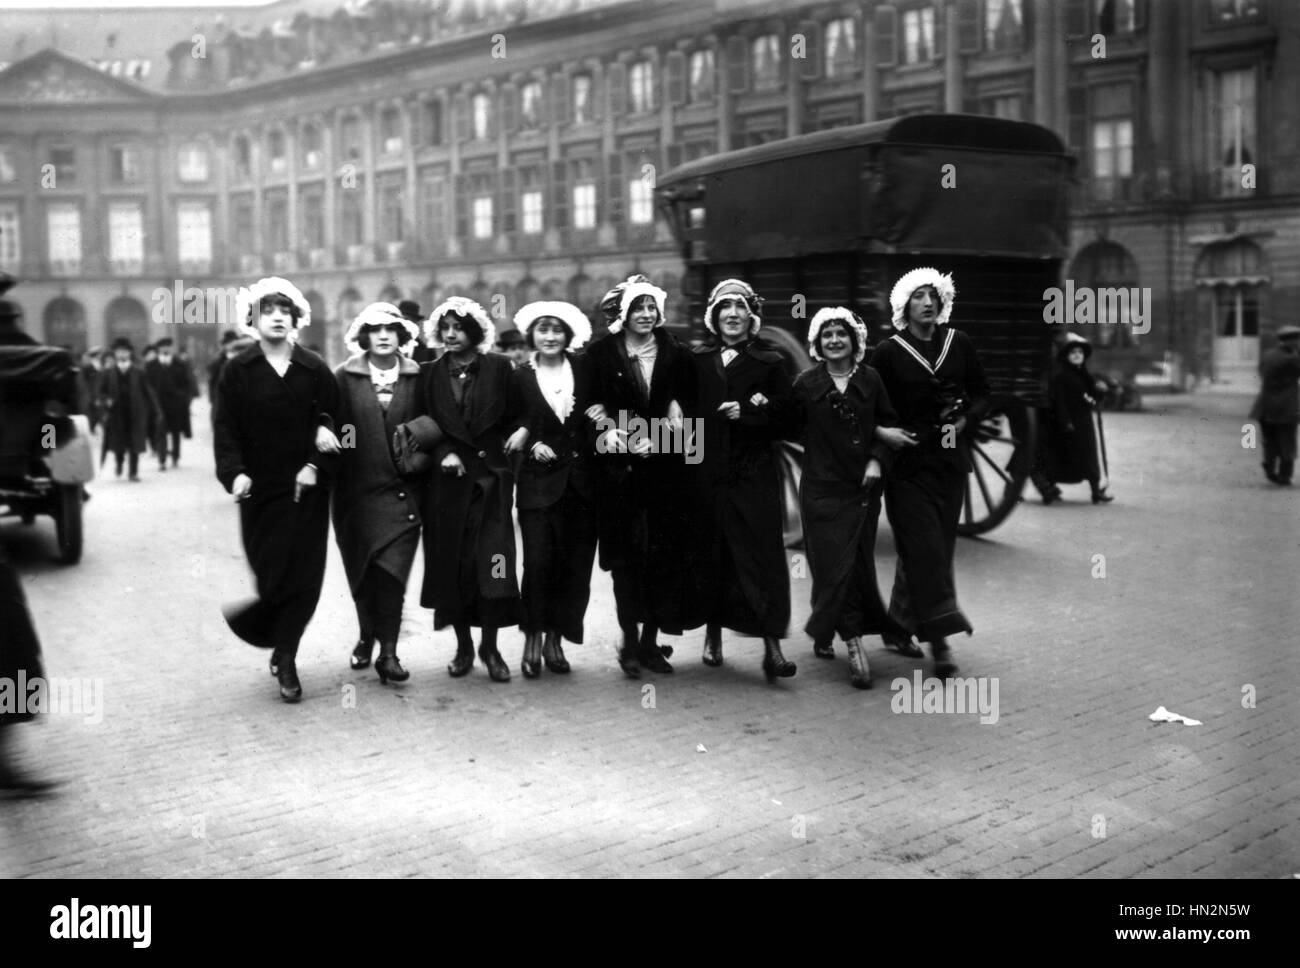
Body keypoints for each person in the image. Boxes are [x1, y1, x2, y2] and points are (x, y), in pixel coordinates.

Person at [213, 276, 341, 703]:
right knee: (272, 574)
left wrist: (316, 461)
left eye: (286, 313)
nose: (278, 318)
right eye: (269, 312)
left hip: (307, 489)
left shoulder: (315, 368)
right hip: (260, 490)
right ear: (254, 319)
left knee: (304, 577)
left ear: (297, 320)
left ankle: (286, 656)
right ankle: (278, 637)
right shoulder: (238, 371)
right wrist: (235, 474)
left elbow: (341, 423)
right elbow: (225, 428)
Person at [868, 267, 990, 679]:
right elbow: (869, 403)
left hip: (950, 466)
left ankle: (899, 624)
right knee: (926, 550)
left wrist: (964, 422)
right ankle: (940, 642)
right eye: (918, 296)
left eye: (932, 295)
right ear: (904, 305)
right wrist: (885, 433)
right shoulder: (888, 352)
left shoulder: (960, 344)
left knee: (935, 547)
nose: (927, 301)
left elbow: (982, 394)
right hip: (907, 468)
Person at [790, 308, 909, 689]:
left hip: (861, 489)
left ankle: (829, 631)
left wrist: (877, 459)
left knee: (854, 565)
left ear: (854, 340)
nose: (835, 340)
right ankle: (853, 644)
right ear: (818, 344)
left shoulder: (871, 380)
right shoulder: (806, 383)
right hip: (821, 490)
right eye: (827, 336)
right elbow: (786, 424)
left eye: (841, 334)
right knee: (830, 565)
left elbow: (888, 426)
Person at [686, 279, 796, 683]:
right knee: (714, 554)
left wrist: (749, 412)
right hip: (708, 475)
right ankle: (712, 636)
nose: (732, 314)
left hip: (754, 475)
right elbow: (680, 412)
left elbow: (789, 417)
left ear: (752, 318)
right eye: (724, 308)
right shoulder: (696, 359)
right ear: (714, 317)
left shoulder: (770, 362)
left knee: (762, 557)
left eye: (740, 308)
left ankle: (773, 648)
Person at [412, 297, 527, 682]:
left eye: (458, 328)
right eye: (444, 328)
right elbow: (419, 420)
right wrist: (444, 450)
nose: (449, 335)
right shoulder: (429, 373)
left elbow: (519, 412)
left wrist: (522, 431)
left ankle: (490, 647)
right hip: (447, 487)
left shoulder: (498, 367)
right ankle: (463, 646)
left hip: (491, 480)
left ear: (475, 331)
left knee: (493, 566)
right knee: (453, 566)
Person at [585, 278, 695, 676]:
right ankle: (629, 644)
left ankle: (650, 643)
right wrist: (611, 433)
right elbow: (587, 406)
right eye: (638, 308)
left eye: (651, 307)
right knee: (627, 564)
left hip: (665, 476)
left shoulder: (676, 353)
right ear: (624, 314)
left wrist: (665, 433)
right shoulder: (600, 355)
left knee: (662, 561)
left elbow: (691, 417)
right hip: (620, 477)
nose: (646, 315)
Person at [332, 303, 426, 684]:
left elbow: (437, 423)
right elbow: (336, 425)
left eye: (391, 329)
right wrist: (348, 444)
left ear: (402, 336)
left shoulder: (419, 376)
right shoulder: (345, 376)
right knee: (363, 572)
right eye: (375, 330)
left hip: (404, 495)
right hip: (356, 494)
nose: (384, 336)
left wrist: (418, 450)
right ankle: (366, 635)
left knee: (392, 576)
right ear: (364, 336)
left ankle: (388, 652)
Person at [511, 300, 598, 677]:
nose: (550, 336)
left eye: (557, 330)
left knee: (573, 566)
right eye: (543, 329)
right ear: (532, 335)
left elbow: (601, 408)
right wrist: (530, 443)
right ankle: (532, 638)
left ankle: (555, 642)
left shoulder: (585, 369)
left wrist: (604, 417)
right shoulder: (517, 376)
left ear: (568, 335)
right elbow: (506, 422)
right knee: (538, 564)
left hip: (581, 484)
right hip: (537, 484)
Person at [1035, 333, 1114, 504]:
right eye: (1073, 353)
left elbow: (1092, 398)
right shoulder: (1061, 377)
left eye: (1080, 352)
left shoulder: (1085, 376)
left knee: (1091, 457)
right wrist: (1066, 422)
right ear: (1066, 357)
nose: (1077, 355)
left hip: (1085, 422)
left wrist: (1101, 391)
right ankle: (1049, 487)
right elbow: (1060, 402)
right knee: (1064, 456)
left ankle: (1096, 492)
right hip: (1069, 423)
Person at [97, 338, 161, 482]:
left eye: (125, 351)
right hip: (116, 413)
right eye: (119, 352)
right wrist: (106, 400)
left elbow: (148, 391)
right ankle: (119, 463)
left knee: (134, 444)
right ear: (114, 354)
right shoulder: (108, 372)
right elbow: (101, 392)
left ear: (130, 353)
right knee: (119, 444)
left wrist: (155, 408)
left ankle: (133, 472)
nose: (122, 354)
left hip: (135, 413)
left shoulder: (138, 372)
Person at [1250, 324, 1300, 486]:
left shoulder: (1268, 355)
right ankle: (1285, 476)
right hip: (1286, 407)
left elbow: (1261, 372)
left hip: (1264, 406)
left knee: (1269, 439)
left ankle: (1270, 467)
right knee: (1287, 441)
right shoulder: (1292, 359)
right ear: (1291, 341)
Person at [145, 338, 198, 470]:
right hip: (159, 404)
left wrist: (182, 397)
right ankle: (162, 460)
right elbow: (147, 384)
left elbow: (187, 383)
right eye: (163, 347)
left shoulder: (179, 363)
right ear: (158, 349)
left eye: (168, 347)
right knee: (160, 431)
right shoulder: (151, 365)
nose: (165, 349)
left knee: (175, 432)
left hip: (176, 404)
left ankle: (175, 456)